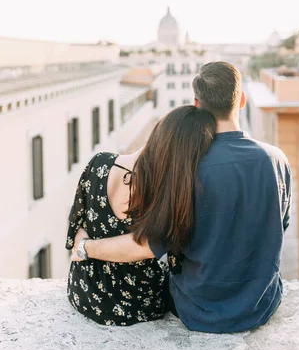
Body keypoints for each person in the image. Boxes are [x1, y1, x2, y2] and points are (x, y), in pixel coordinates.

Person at [72, 61, 291, 333]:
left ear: (197, 104)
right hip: (261, 306)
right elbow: (279, 226)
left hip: (197, 311)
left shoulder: (185, 167)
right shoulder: (277, 160)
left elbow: (150, 244)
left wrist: (85, 247)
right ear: (242, 100)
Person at [66, 105, 216, 326]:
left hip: (83, 292)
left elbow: (74, 229)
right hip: (136, 304)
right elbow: (169, 259)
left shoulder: (98, 163)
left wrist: (83, 246)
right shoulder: (166, 195)